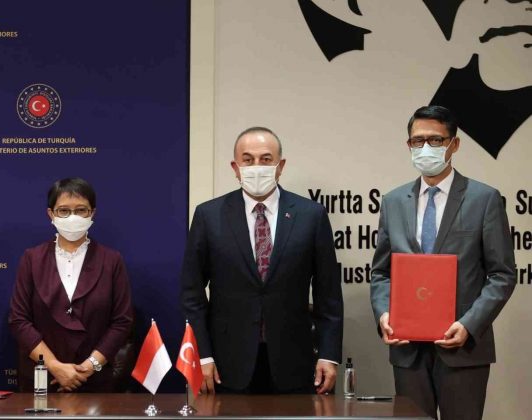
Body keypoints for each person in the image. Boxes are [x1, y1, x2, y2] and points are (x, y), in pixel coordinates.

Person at [370, 105, 516, 420]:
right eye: (418, 141)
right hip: (408, 350)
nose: (426, 148)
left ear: (454, 144)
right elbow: (381, 272)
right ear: (408, 145)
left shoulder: (484, 199)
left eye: (436, 140)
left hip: (462, 348)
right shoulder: (393, 202)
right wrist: (384, 314)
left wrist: (469, 325)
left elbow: (502, 274)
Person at [180, 127, 343, 394]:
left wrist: (328, 354)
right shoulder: (209, 216)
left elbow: (329, 294)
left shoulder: (311, 215)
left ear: (281, 166)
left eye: (266, 159)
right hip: (225, 364)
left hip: (294, 361)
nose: (257, 166)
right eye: (248, 160)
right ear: (235, 167)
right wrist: (203, 355)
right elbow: (192, 294)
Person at [9, 177, 133, 393]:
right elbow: (19, 320)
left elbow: (122, 322)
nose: (72, 217)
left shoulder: (112, 260)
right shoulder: (32, 259)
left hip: (94, 381)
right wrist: (54, 366)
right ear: (51, 214)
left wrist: (89, 367)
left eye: (81, 210)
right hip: (42, 380)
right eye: (64, 211)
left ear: (92, 213)